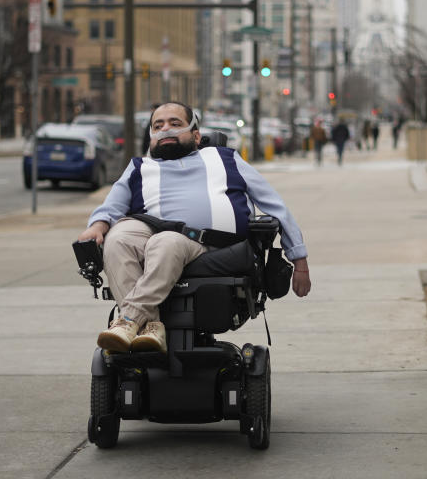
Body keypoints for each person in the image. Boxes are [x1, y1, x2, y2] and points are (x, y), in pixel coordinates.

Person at [76, 101, 311, 354]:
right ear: (152, 136)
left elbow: (275, 205)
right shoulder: (139, 167)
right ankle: (151, 329)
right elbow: (109, 208)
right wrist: (97, 226)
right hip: (150, 233)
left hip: (209, 245)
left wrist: (299, 260)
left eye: (175, 124)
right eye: (159, 125)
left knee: (165, 242)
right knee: (118, 237)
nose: (166, 129)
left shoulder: (225, 158)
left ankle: (129, 320)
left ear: (196, 135)